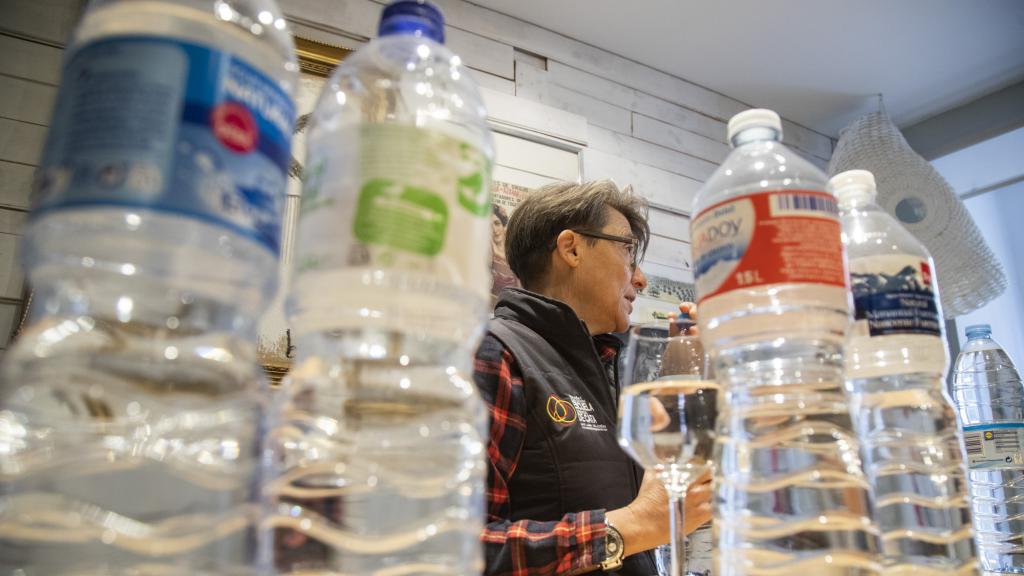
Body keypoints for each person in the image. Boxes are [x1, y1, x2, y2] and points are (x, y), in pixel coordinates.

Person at [473, 180, 713, 575]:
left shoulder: (603, 370)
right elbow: (452, 547)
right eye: (628, 250)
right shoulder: (494, 352)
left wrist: (685, 382)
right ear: (571, 248)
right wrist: (628, 528)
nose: (641, 279)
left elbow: (678, 510)